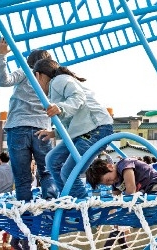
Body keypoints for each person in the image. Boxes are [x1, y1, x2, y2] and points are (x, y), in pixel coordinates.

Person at [33, 58, 114, 199]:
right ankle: (67, 198)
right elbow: (73, 121)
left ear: (38, 76)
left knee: (69, 172)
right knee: (52, 159)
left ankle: (84, 210)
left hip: (96, 129)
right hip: (84, 132)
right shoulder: (55, 88)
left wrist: (60, 108)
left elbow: (78, 97)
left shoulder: (59, 80)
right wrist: (55, 133)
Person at [0, 38, 58, 202]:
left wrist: (0, 56)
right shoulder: (52, 80)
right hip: (42, 129)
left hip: (18, 127)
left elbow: (4, 81)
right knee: (46, 171)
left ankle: (26, 213)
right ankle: (50, 204)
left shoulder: (26, 71)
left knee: (22, 175)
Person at [85, 157, 157, 195]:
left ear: (110, 167)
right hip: (147, 193)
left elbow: (131, 190)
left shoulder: (124, 165)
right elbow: (115, 198)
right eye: (106, 184)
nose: (111, 183)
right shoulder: (115, 183)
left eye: (108, 180)